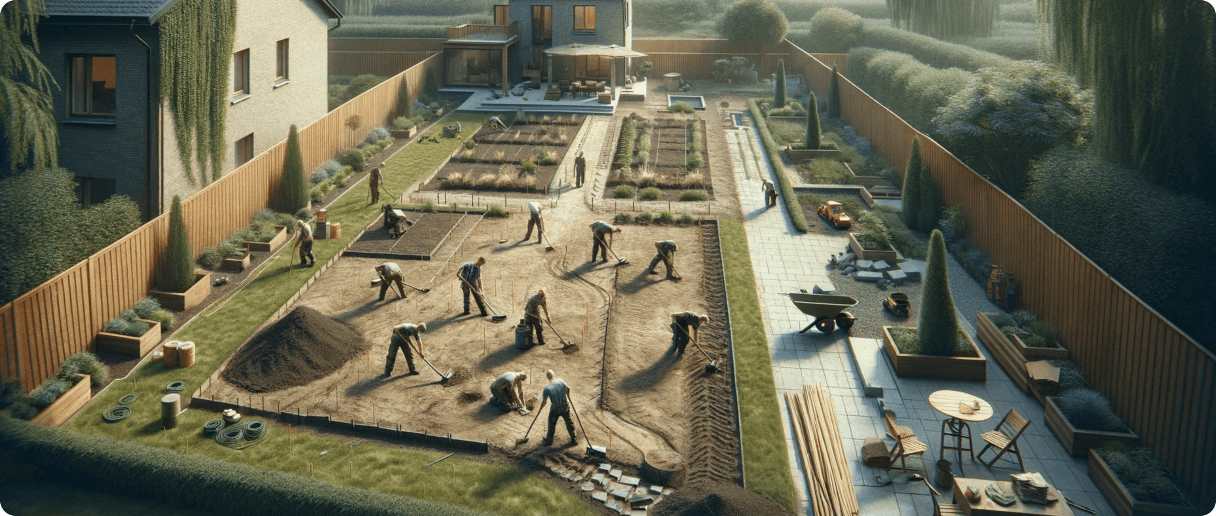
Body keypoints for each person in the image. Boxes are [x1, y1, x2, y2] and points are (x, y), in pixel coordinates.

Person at [538, 369, 577, 446]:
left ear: (547, 377)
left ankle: (549, 441)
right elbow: (568, 389)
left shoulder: (547, 388)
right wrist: (568, 398)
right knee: (569, 421)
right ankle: (574, 438)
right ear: (554, 375)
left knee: (551, 423)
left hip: (555, 409)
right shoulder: (561, 381)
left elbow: (544, 401)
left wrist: (540, 410)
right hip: (564, 407)